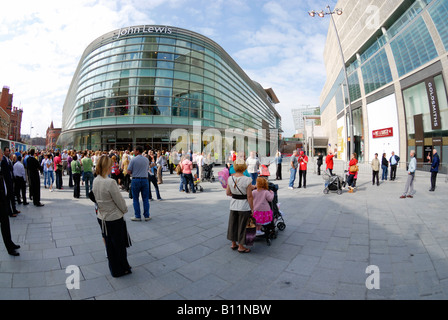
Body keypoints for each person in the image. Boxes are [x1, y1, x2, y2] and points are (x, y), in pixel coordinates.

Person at [92, 155, 132, 277]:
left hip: (102, 217)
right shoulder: (110, 182)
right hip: (114, 217)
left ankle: (114, 269)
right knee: (119, 245)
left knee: (109, 244)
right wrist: (124, 210)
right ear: (107, 167)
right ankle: (122, 268)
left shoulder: (96, 180)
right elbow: (119, 200)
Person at [226, 158, 254, 253]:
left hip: (233, 204)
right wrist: (252, 208)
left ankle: (233, 244)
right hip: (244, 206)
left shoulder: (230, 178)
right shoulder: (247, 179)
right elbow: (249, 196)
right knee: (242, 225)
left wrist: (235, 194)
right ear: (244, 167)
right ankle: (241, 246)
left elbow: (228, 193)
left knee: (233, 224)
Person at [0, 148, 21, 256]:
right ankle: (9, 248)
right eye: (0, 153)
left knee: (5, 223)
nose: (2, 155)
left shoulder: (3, 163)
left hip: (4, 198)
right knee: (4, 224)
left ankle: (10, 244)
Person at [127, 146, 151, 221]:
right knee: (145, 199)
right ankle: (147, 216)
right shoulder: (146, 159)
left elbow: (128, 171)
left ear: (137, 151)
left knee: (135, 199)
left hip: (136, 179)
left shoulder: (133, 160)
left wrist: (133, 172)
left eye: (134, 150)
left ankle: (137, 216)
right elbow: (147, 169)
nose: (133, 151)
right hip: (145, 180)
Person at [1, 147, 19, 216]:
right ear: (4, 152)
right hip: (7, 181)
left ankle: (14, 210)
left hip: (11, 180)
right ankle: (10, 212)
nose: (8, 152)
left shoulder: (8, 160)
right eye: (6, 151)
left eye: (8, 151)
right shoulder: (3, 160)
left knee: (12, 196)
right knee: (8, 197)